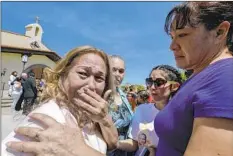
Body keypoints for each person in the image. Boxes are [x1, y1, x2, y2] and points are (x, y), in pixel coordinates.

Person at [2, 45, 118, 155]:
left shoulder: (94, 115)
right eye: (82, 73)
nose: (91, 85)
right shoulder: (47, 119)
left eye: (99, 78)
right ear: (63, 75)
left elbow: (112, 143)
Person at [154, 2, 233, 156]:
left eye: (182, 34)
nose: (172, 46)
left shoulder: (225, 76)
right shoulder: (199, 77)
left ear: (220, 32)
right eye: (172, 37)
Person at [117, 65, 182, 156]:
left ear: (174, 86)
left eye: (159, 82)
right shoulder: (141, 109)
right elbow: (134, 143)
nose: (152, 87)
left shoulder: (182, 115)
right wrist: (114, 143)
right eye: (149, 82)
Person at [107, 55, 134, 156]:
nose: (117, 74)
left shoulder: (123, 96)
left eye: (121, 71)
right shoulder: (99, 93)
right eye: (113, 70)